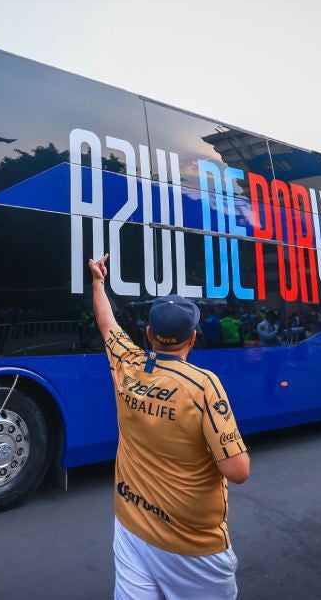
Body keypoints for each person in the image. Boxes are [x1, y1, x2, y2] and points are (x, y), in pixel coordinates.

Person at [88, 254, 250, 600]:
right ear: (193, 337)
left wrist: (98, 282)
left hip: (131, 527)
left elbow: (107, 324)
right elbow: (237, 470)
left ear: (148, 334)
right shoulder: (203, 386)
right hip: (192, 546)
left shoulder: (128, 364)